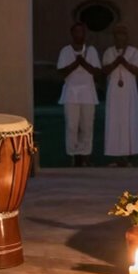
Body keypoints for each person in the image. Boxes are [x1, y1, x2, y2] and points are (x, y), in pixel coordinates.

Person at [57, 22, 101, 167]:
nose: (79, 35)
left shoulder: (91, 51)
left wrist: (83, 62)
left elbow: (97, 72)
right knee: (71, 125)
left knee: (87, 125)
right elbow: (61, 72)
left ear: (84, 34)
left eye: (81, 32)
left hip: (88, 93)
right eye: (76, 32)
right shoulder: (66, 51)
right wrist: (76, 63)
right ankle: (73, 155)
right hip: (71, 93)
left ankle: (85, 155)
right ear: (72, 34)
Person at [102, 23, 138, 167]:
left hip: (129, 91)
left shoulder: (133, 51)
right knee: (114, 120)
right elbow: (105, 70)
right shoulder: (109, 52)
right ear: (114, 38)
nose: (120, 39)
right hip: (114, 91)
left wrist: (124, 62)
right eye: (117, 36)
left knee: (128, 120)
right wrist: (116, 62)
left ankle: (127, 155)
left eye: (122, 36)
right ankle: (115, 155)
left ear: (126, 38)